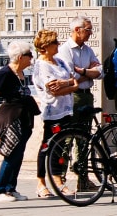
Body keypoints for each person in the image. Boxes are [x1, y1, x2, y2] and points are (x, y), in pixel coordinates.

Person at [0, 40, 39, 203]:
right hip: (9, 120)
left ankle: (10, 188)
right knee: (11, 154)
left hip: (22, 119)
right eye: (30, 55)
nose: (31, 59)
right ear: (21, 57)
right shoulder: (4, 74)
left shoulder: (20, 74)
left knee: (18, 155)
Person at [31, 29, 77, 199]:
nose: (58, 45)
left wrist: (66, 84)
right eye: (54, 42)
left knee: (61, 148)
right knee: (47, 146)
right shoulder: (40, 65)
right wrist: (69, 85)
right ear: (45, 47)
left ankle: (58, 180)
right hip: (52, 112)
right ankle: (41, 182)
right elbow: (53, 90)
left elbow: (74, 82)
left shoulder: (60, 62)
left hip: (66, 109)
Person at [57, 17, 102, 126]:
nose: (91, 33)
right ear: (77, 29)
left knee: (85, 135)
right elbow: (71, 77)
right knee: (70, 131)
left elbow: (100, 72)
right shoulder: (65, 50)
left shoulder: (88, 50)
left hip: (87, 95)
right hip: (73, 96)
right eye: (88, 30)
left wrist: (83, 71)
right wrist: (90, 73)